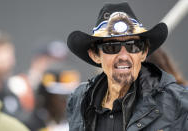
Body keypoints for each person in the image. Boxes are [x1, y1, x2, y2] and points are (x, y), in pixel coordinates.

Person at [66, 2, 188, 131]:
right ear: (95, 55)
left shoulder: (178, 103)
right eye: (112, 47)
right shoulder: (79, 101)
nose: (124, 56)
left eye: (133, 46)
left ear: (144, 52)